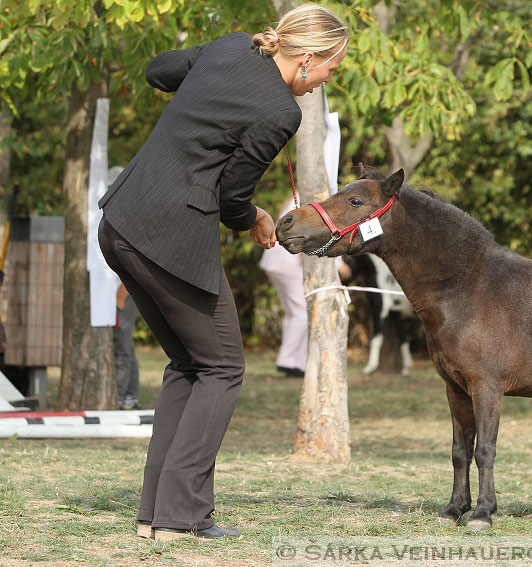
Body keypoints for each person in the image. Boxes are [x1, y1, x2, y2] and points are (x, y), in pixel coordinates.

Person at [97, 4, 349, 540]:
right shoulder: (280, 112)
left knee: (191, 363)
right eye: (332, 68)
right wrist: (255, 217)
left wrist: (207, 72)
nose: (328, 79)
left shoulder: (232, 46)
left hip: (120, 222)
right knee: (223, 367)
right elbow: (233, 193)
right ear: (308, 58)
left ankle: (157, 514)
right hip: (166, 237)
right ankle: (179, 516)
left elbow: (158, 70)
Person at [260, 198, 307, 377]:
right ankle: (288, 360)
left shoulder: (293, 198)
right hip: (288, 262)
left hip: (273, 259)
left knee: (292, 313)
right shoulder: (312, 196)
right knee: (302, 311)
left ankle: (297, 361)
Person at [115, 283, 141, 410]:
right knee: (127, 347)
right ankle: (130, 395)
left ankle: (119, 397)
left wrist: (120, 298)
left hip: (124, 296)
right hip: (122, 296)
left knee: (122, 348)